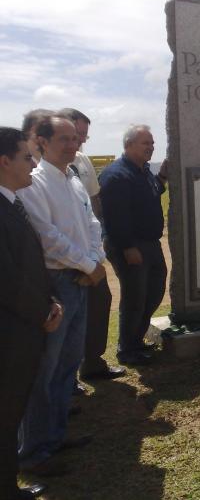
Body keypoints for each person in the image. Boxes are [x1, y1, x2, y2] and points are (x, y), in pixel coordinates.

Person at [18, 115, 106, 474]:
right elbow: (47, 236)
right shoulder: (34, 184)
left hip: (82, 279)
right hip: (59, 282)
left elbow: (92, 223)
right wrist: (88, 265)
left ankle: (54, 436)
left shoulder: (72, 179)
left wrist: (96, 260)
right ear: (40, 140)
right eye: (64, 139)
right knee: (45, 370)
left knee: (68, 365)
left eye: (76, 139)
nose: (74, 145)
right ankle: (33, 452)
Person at [0, 127, 62, 499]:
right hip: (10, 334)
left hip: (24, 326)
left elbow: (30, 264)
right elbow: (6, 279)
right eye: (27, 157)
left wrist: (50, 298)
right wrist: (42, 311)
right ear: (4, 162)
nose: (33, 164)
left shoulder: (12, 203)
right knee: (6, 415)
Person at [58, 108, 124, 381]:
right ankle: (66, 379)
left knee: (100, 303)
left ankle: (93, 363)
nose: (81, 142)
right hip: (63, 259)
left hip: (92, 253)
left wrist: (98, 247)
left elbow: (94, 202)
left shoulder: (82, 161)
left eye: (84, 136)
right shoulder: (42, 165)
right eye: (76, 135)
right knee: (66, 317)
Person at [99, 125, 168, 366]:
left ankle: (136, 340)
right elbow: (115, 216)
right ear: (128, 146)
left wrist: (161, 178)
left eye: (152, 144)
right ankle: (127, 350)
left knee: (155, 290)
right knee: (134, 297)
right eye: (145, 143)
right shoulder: (115, 175)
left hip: (150, 243)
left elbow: (151, 192)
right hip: (130, 245)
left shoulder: (144, 171)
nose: (150, 147)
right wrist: (128, 248)